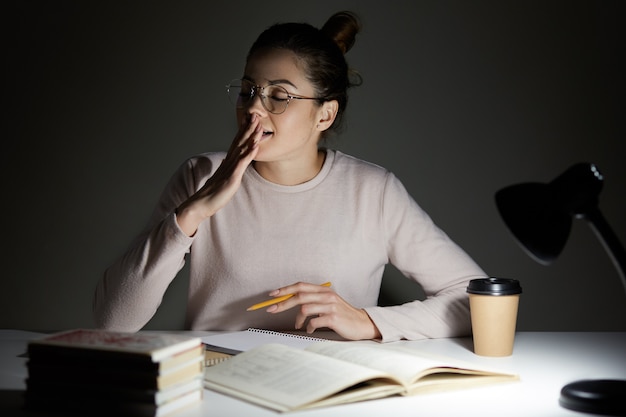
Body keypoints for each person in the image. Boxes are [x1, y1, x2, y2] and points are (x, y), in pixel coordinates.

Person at [93, 11, 486, 342]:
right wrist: (194, 212)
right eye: (248, 91)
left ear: (325, 115)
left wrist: (370, 322)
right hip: (218, 389)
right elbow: (113, 321)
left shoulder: (373, 191)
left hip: (329, 393)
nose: (253, 110)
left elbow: (479, 302)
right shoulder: (202, 174)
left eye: (278, 97)